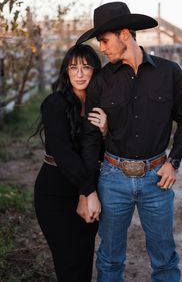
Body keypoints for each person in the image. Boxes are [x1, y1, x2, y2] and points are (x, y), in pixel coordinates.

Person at [77, 1, 182, 282]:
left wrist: (174, 162)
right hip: (112, 178)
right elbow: (91, 139)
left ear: (124, 34)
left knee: (165, 260)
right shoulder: (101, 81)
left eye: (104, 41)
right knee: (109, 260)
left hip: (157, 178)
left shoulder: (169, 72)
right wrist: (88, 188)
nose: (102, 49)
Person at [34, 43, 107, 282]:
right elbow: (63, 152)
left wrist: (106, 131)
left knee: (84, 258)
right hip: (55, 191)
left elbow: (107, 151)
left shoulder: (102, 106)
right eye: (73, 67)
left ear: (95, 71)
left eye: (86, 67)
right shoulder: (55, 103)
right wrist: (88, 192)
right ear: (66, 71)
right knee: (68, 263)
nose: (79, 73)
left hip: (90, 185)